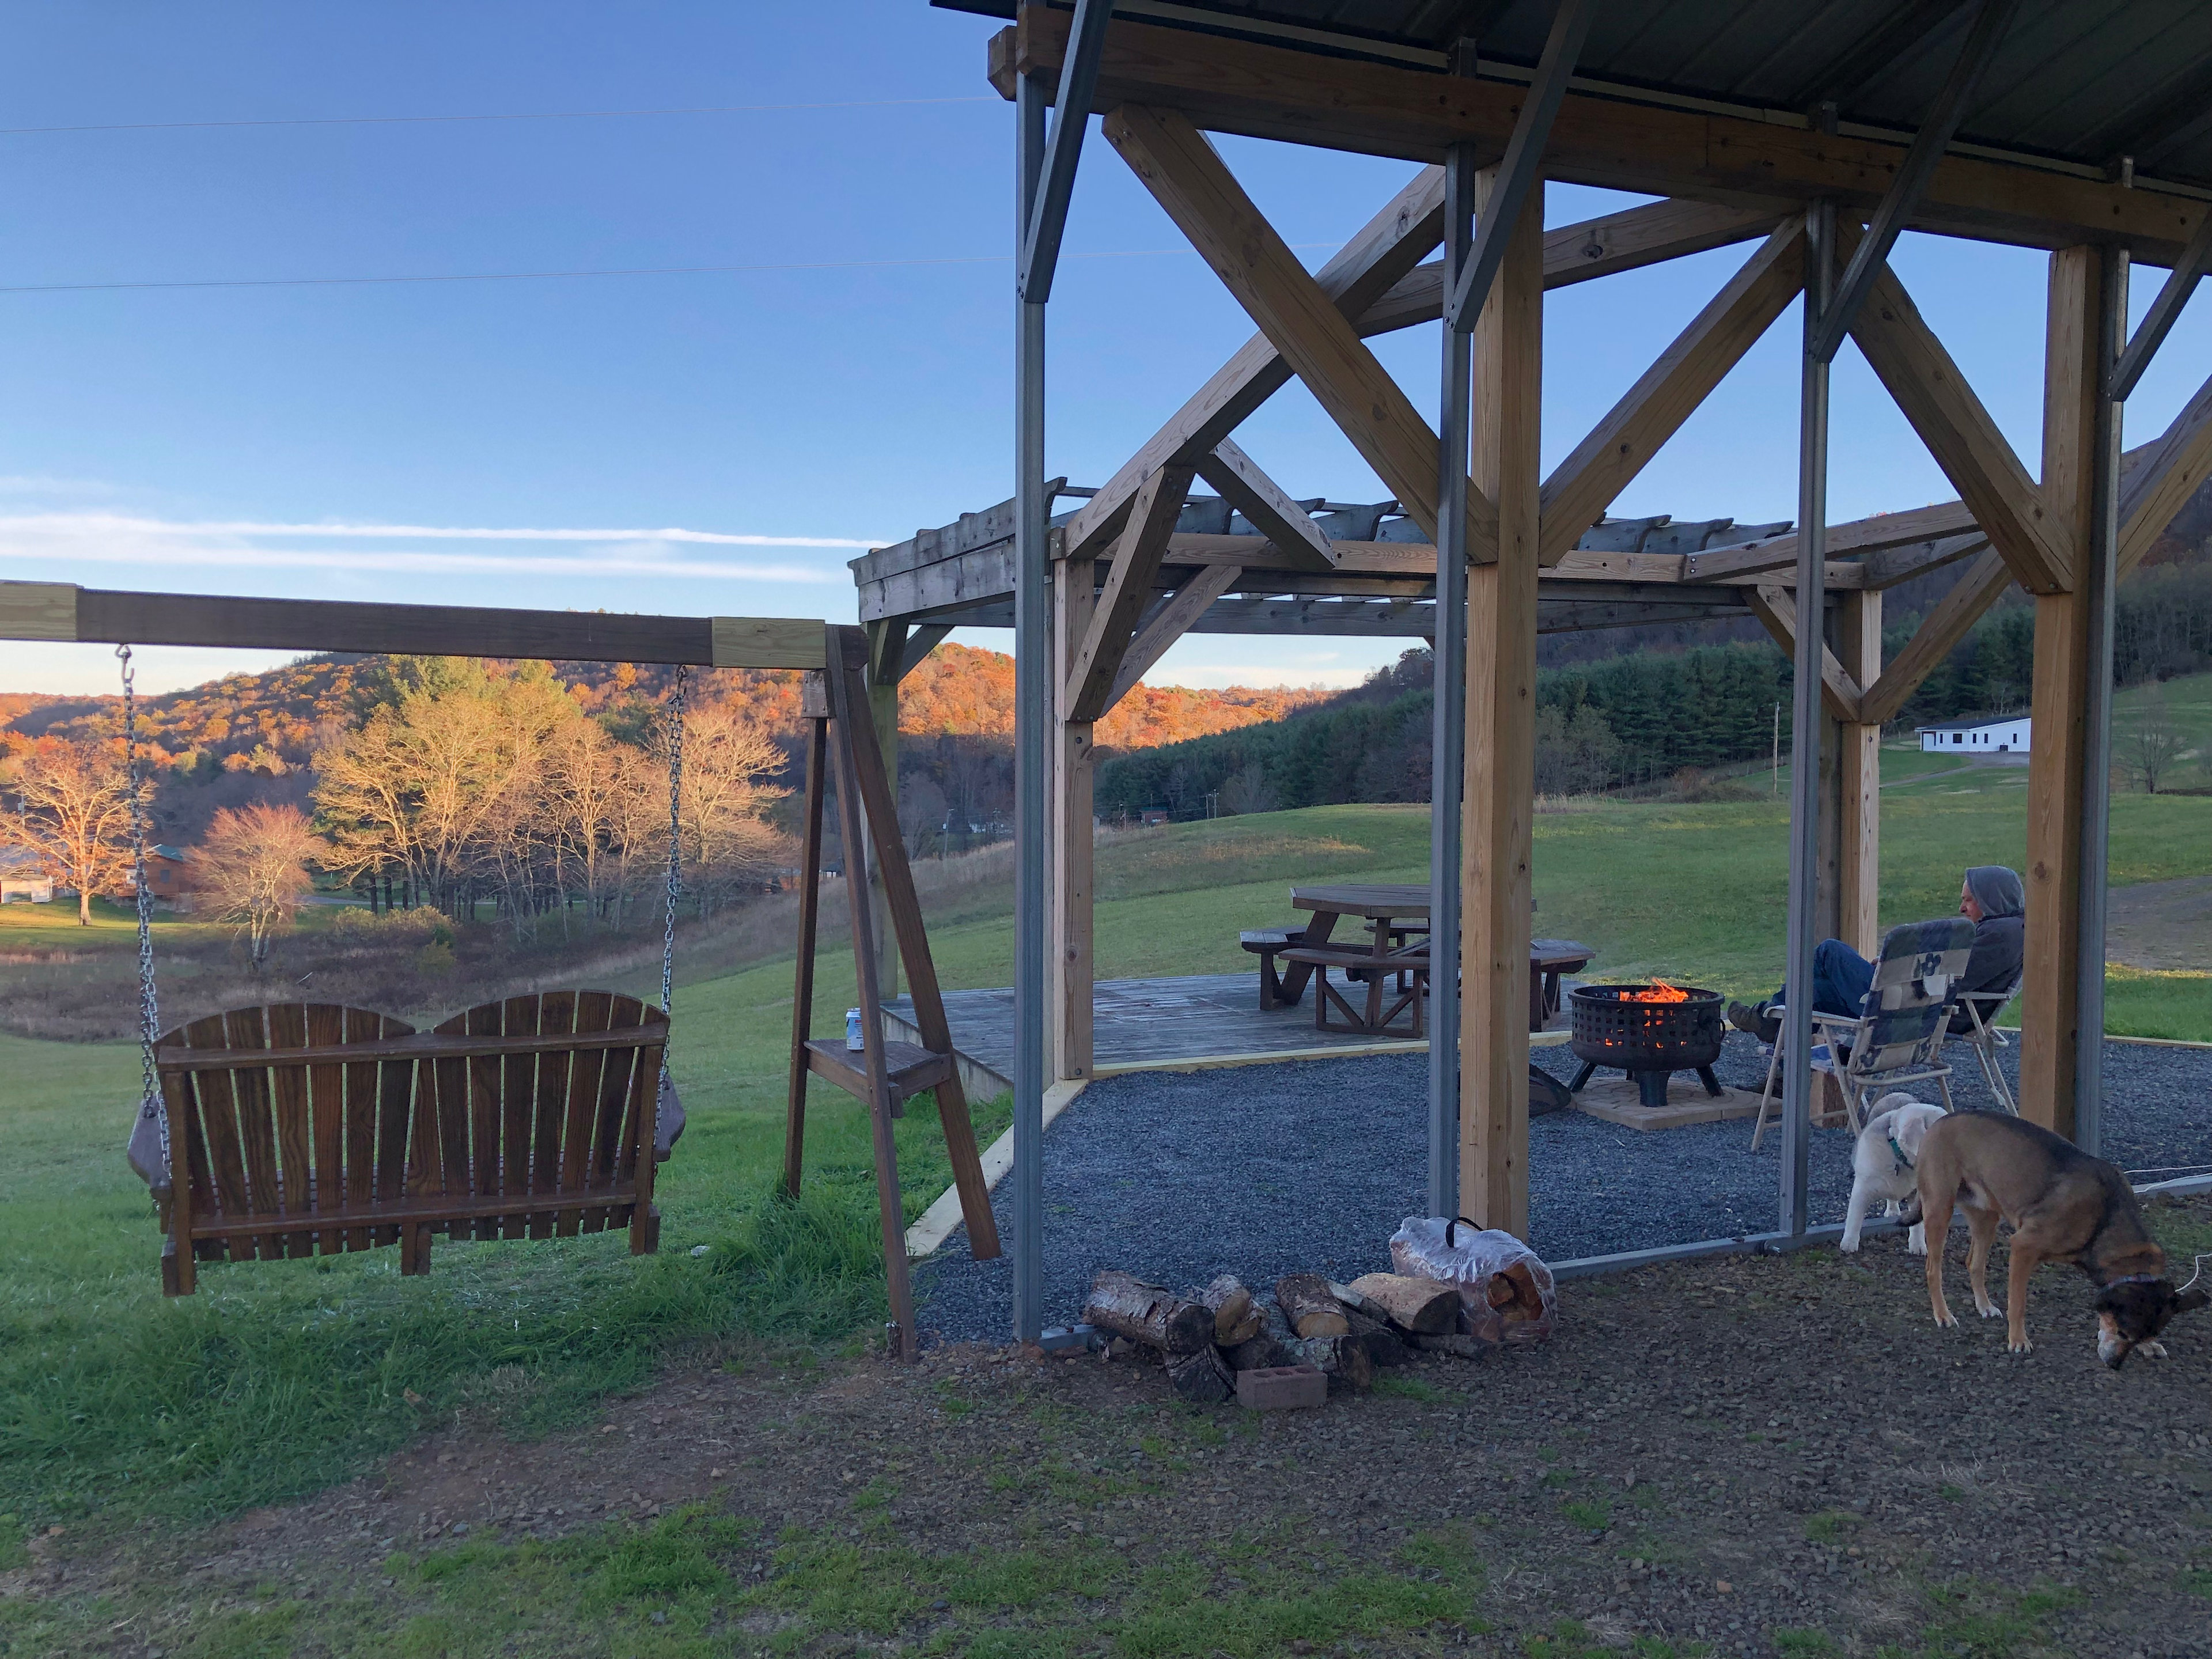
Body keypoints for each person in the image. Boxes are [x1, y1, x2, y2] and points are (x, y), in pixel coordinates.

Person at [1727, 865, 2026, 1043]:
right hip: (1915, 1004)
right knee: (1814, 993)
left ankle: (1768, 1017)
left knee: (1830, 951)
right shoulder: (2005, 931)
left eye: (1969, 900)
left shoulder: (2001, 935)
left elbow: (1953, 979)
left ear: (1992, 898)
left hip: (1910, 1012)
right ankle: (1780, 1060)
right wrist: (1894, 966)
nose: (1962, 908)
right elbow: (1951, 970)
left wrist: (1895, 970)